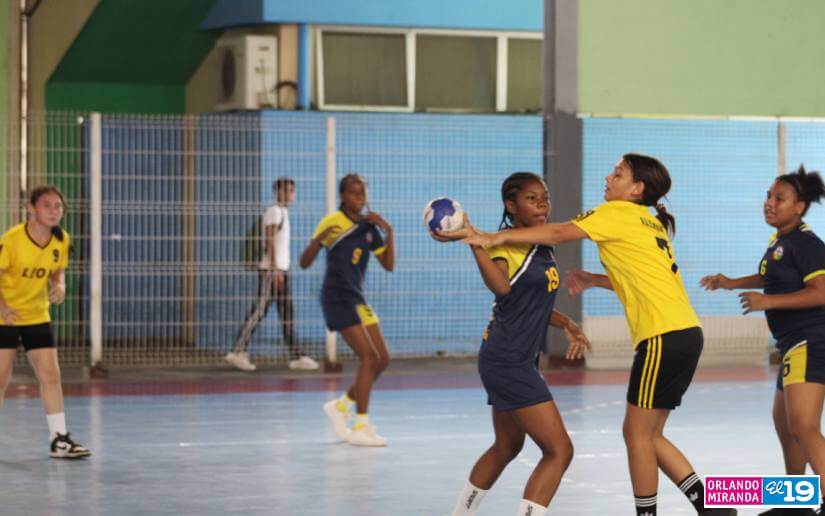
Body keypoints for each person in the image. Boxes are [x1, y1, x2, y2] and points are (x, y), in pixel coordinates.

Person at [449, 154, 734, 515]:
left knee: (635, 436)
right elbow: (642, 281)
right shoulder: (650, 222)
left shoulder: (614, 214)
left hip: (662, 335)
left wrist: (488, 237)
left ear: (636, 188)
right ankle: (711, 507)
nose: (608, 177)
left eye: (618, 174)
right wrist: (592, 281)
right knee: (647, 435)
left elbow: (556, 232)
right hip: (686, 332)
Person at [434, 172, 590, 516]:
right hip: (508, 361)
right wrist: (478, 245)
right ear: (511, 205)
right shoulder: (504, 242)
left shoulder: (540, 243)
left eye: (545, 198)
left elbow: (529, 301)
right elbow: (503, 288)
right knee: (559, 451)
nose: (542, 205)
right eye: (532, 198)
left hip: (508, 357)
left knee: (507, 446)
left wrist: (567, 322)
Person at [701, 165, 825, 516]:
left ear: (799, 206)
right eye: (768, 196)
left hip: (810, 340)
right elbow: (773, 277)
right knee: (785, 424)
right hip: (792, 344)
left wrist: (768, 302)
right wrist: (732, 282)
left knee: (802, 424)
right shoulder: (780, 243)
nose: (769, 203)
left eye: (779, 198)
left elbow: (821, 291)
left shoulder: (806, 244)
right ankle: (796, 502)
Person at [300, 174, 394, 447]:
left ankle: (342, 406)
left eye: (362, 193)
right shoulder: (333, 222)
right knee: (368, 357)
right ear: (343, 196)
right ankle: (361, 424)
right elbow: (304, 262)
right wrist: (318, 241)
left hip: (357, 297)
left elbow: (388, 265)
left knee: (382, 359)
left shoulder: (368, 227)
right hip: (337, 296)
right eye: (354, 193)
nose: (359, 198)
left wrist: (389, 232)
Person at [0, 185, 90, 459]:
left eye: (58, 207)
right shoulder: (12, 240)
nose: (54, 211)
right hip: (5, 317)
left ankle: (59, 439)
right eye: (47, 205)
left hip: (37, 316)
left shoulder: (61, 239)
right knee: (1, 378)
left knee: (51, 376)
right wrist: (2, 307)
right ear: (31, 208)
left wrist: (59, 284)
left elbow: (57, 270)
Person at [225, 177, 319, 372]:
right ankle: (237, 351)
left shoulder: (283, 212)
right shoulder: (275, 211)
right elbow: (269, 239)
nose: (289, 195)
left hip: (281, 270)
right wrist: (275, 269)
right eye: (285, 191)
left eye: (292, 191)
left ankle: (297, 356)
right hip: (271, 271)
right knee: (260, 310)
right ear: (277, 192)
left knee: (286, 313)